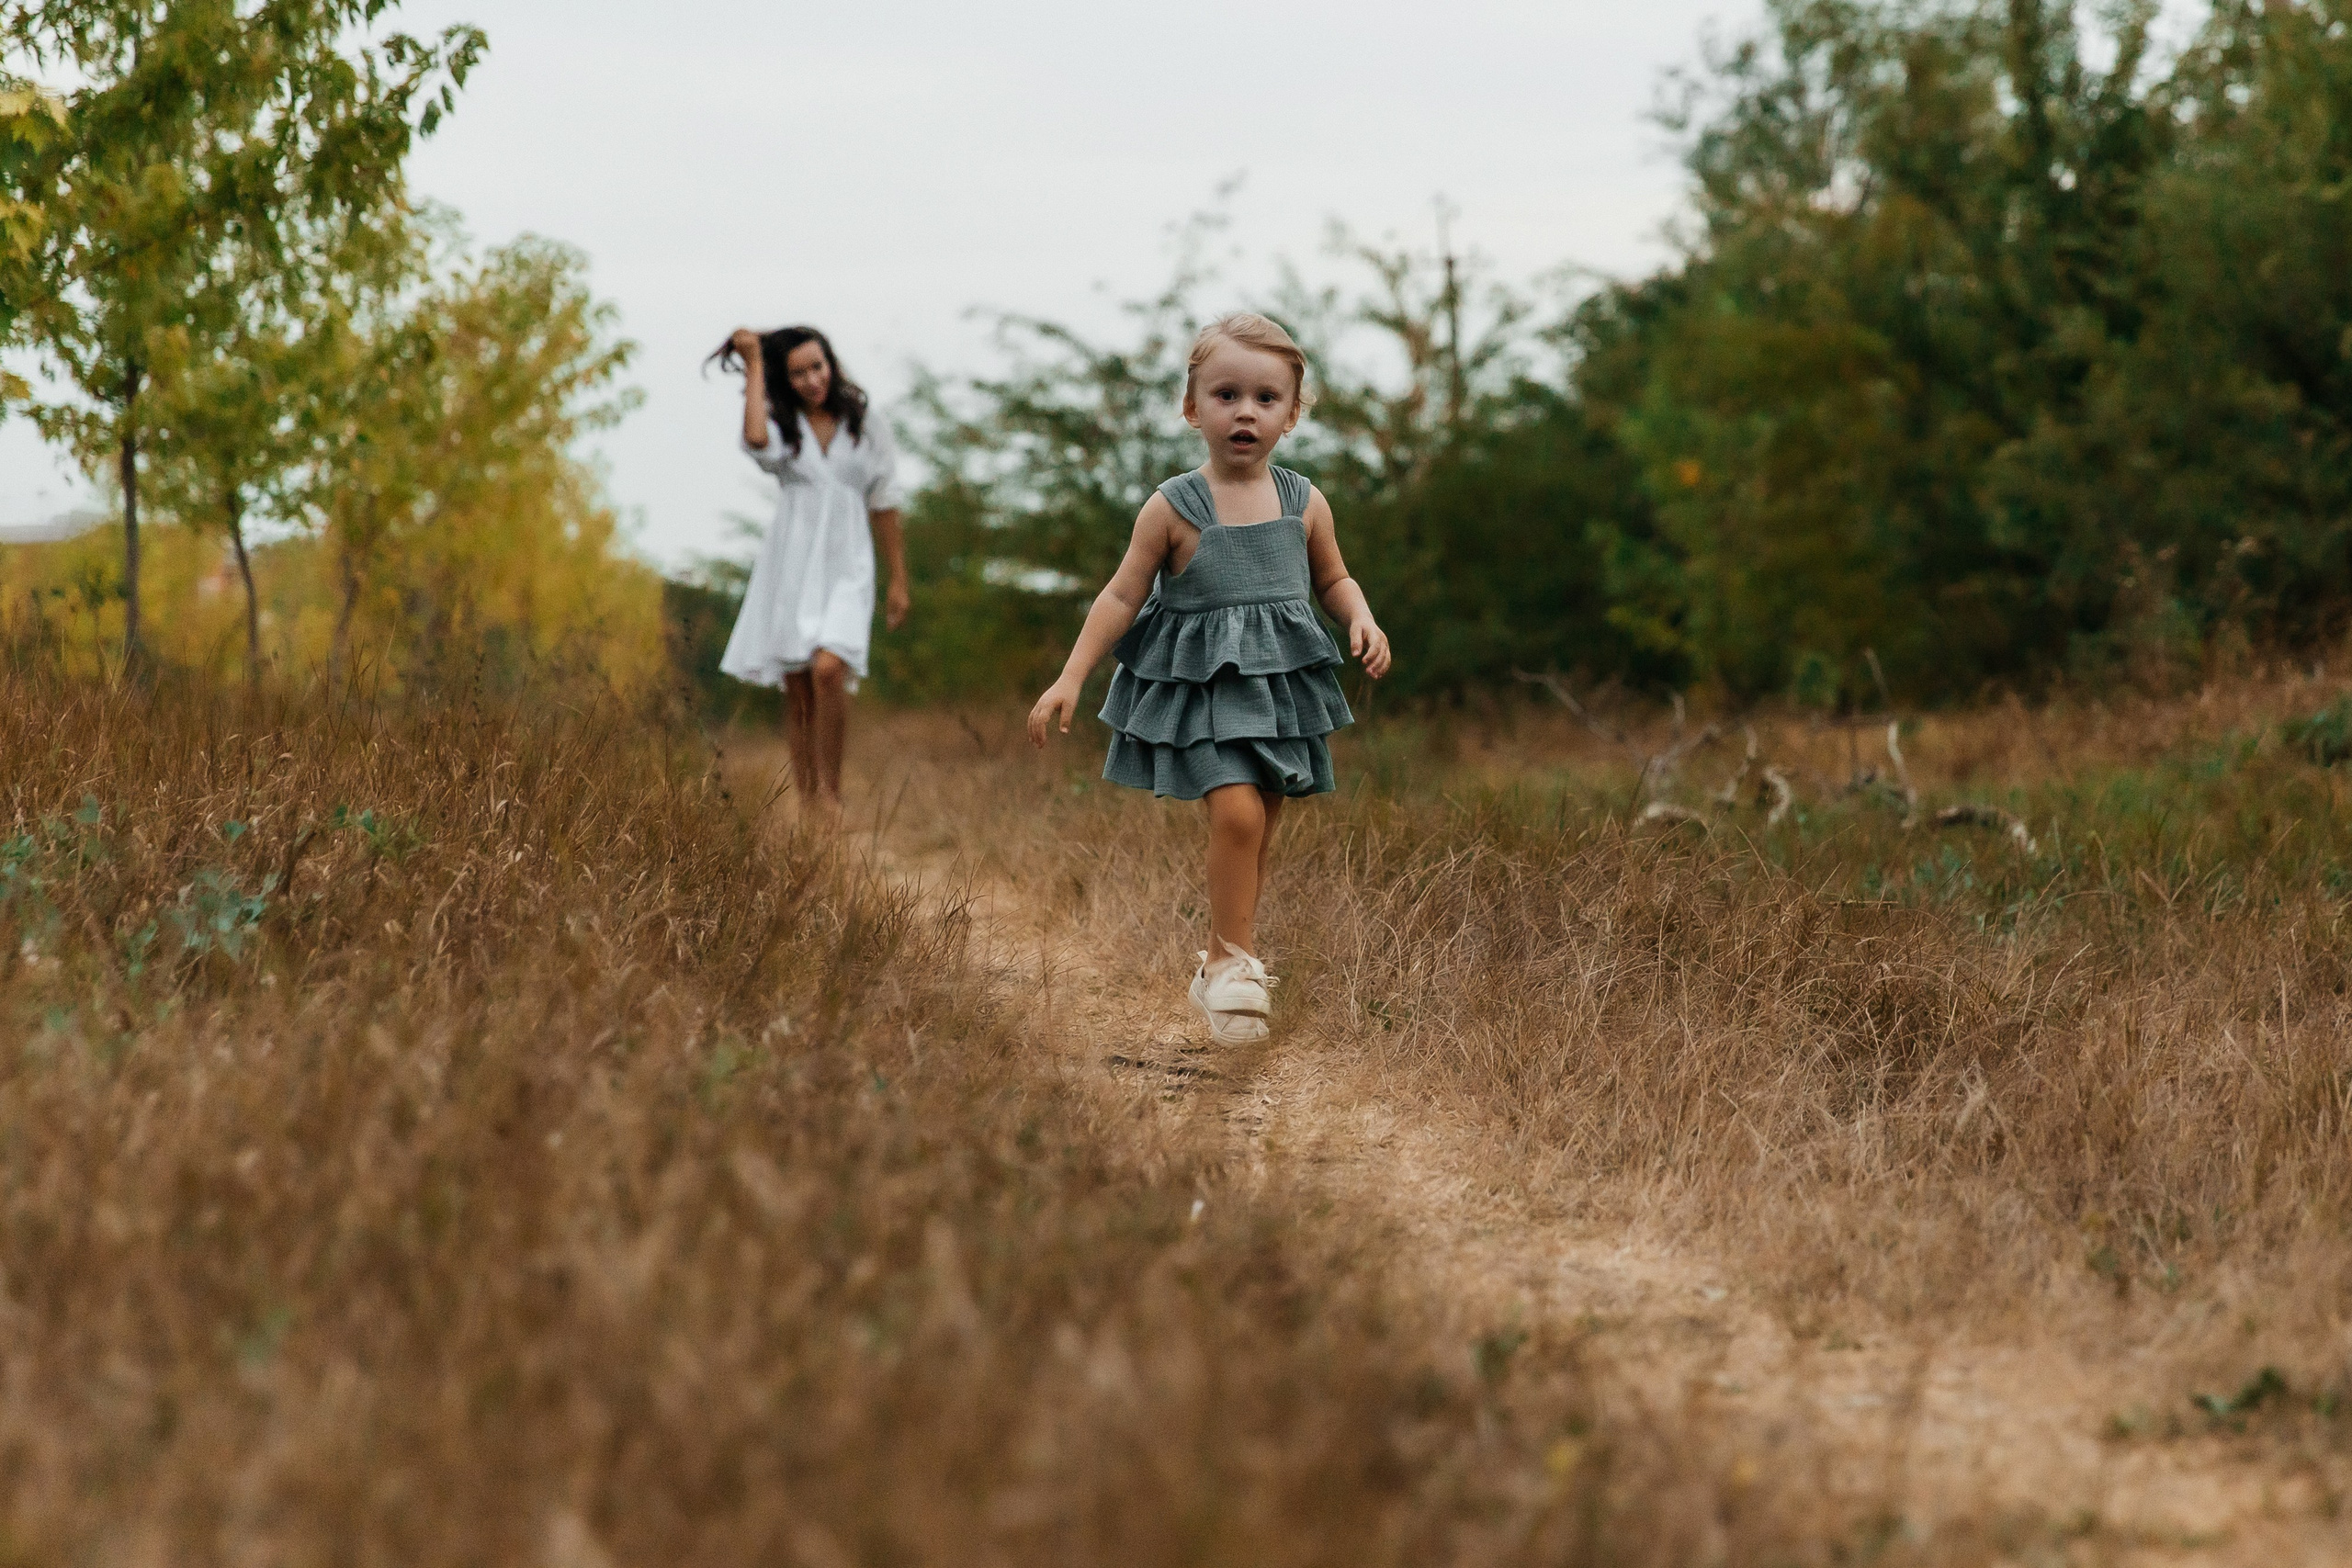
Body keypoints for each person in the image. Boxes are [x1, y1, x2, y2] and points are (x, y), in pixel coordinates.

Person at [1027, 313, 1391, 1043]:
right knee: (1236, 815)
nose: (1245, 412)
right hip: (1204, 693)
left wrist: (1363, 617)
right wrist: (1071, 676)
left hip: (1281, 691)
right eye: (1226, 395)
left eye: (1265, 398)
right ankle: (1232, 968)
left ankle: (1226, 961)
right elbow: (1121, 596)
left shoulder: (1304, 501)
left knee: (1262, 823)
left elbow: (1334, 576)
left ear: (1292, 414)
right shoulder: (1172, 506)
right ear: (1194, 408)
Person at [711, 325, 910, 813]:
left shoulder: (865, 425)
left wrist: (898, 578)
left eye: (816, 367)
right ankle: (809, 805)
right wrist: (755, 361)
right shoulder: (783, 424)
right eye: (796, 372)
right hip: (792, 564)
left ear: (832, 364)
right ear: (784, 378)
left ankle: (831, 791)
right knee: (798, 683)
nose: (810, 379)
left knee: (829, 668)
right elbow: (755, 439)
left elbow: (884, 502)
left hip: (848, 564)